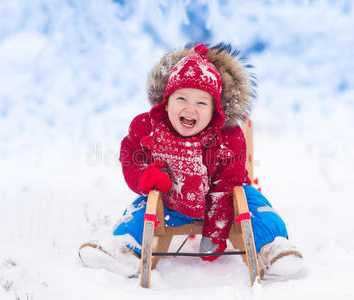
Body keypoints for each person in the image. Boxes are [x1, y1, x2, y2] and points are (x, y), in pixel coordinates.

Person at [80, 43, 303, 278]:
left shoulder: (227, 137)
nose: (190, 108)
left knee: (253, 202)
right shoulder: (149, 128)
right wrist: (144, 177)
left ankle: (273, 248)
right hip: (169, 204)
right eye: (182, 98)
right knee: (139, 209)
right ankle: (123, 250)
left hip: (223, 201)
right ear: (166, 102)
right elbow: (130, 155)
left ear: (215, 111)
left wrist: (215, 233)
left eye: (201, 103)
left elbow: (227, 183)